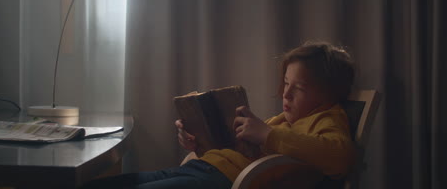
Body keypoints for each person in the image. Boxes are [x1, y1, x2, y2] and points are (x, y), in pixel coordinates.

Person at [80, 41, 355, 189]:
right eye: (285, 83)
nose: (286, 94)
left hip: (221, 180)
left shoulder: (328, 118)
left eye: (300, 88)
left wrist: (268, 134)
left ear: (329, 94)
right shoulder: (284, 121)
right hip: (204, 166)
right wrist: (197, 142)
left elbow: (339, 157)